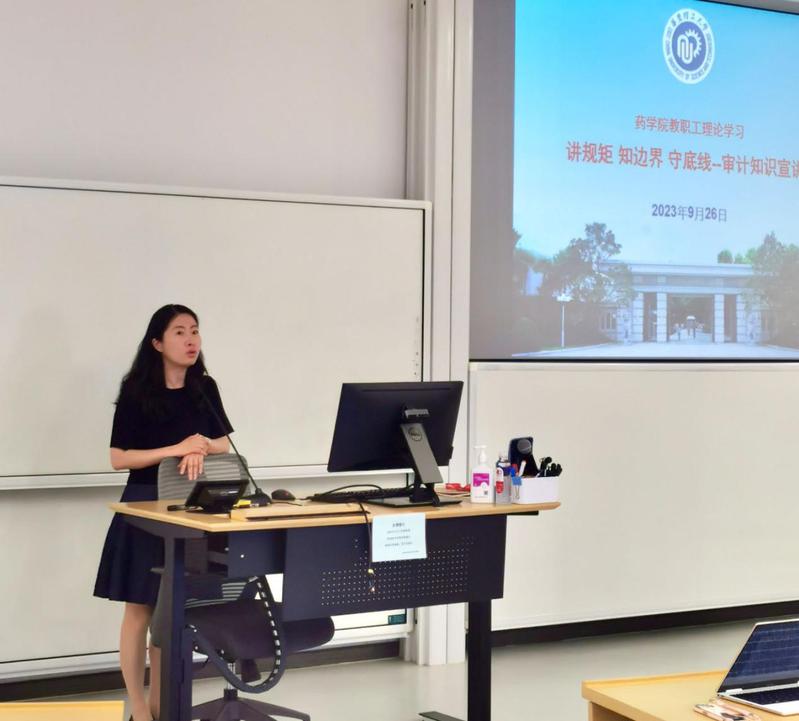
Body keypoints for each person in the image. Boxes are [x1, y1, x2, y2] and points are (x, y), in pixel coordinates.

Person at [94, 304, 233, 721]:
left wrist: (200, 446)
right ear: (157, 343)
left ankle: (161, 705)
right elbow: (119, 458)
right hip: (143, 506)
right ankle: (138, 706)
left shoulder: (204, 387)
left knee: (171, 613)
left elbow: (224, 443)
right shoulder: (137, 391)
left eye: (195, 331)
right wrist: (177, 449)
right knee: (139, 610)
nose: (191, 340)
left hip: (191, 506)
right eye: (179, 332)